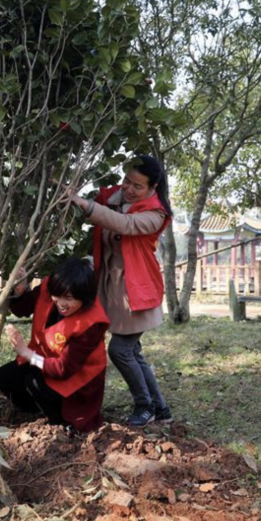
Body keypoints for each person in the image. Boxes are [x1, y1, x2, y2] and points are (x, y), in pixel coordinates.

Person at [68, 155, 174, 427]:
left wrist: (87, 205)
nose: (128, 188)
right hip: (113, 288)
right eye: (127, 180)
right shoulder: (115, 196)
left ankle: (144, 406)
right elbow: (100, 206)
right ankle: (160, 409)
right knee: (133, 352)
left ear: (153, 187)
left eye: (137, 186)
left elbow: (124, 225)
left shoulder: (155, 213)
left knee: (121, 350)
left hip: (136, 290)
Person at [0, 258, 111, 433]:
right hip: (44, 359)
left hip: (76, 377)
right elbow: (23, 308)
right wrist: (20, 290)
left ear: (84, 296)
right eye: (57, 296)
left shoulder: (91, 323)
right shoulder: (52, 287)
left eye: (69, 298)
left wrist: (27, 353)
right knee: (2, 377)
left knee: (35, 383)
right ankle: (36, 411)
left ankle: (62, 425)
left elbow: (63, 369)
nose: (61, 303)